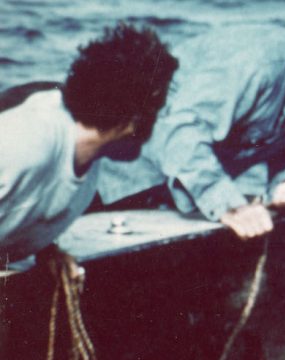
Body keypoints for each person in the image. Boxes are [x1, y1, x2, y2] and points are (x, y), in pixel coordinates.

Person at [94, 0, 285, 240]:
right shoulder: (259, 61)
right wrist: (231, 206)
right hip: (106, 185)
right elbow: (181, 131)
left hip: (168, 205)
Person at [0, 23, 178, 268]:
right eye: (158, 108)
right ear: (134, 117)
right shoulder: (31, 140)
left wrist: (47, 250)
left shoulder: (87, 165)